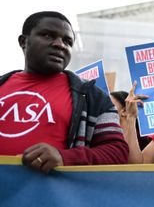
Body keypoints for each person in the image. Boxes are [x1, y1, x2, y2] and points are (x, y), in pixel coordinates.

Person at [0, 11, 128, 173]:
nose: (60, 44)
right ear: (24, 41)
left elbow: (117, 153)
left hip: (50, 197)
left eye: (67, 42)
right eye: (47, 36)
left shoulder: (93, 97)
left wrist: (64, 157)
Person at [110, 82, 151, 163]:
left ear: (124, 111)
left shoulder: (143, 138)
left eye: (109, 105)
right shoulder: (104, 138)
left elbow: (134, 167)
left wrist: (131, 117)